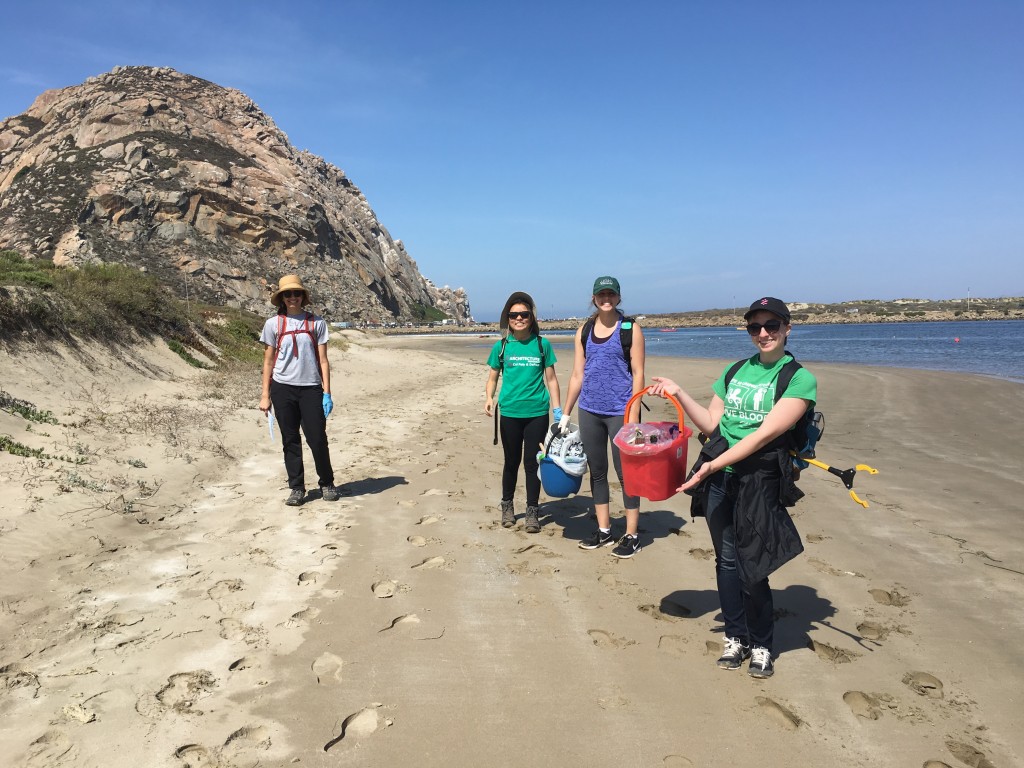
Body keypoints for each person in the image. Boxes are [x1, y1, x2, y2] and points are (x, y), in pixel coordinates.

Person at [647, 297, 816, 678]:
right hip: (722, 477)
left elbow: (764, 436)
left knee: (753, 566)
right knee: (725, 560)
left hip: (760, 477)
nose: (763, 333)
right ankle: (735, 637)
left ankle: (761, 645)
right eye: (754, 327)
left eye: (772, 325)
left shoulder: (800, 379)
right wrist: (678, 393)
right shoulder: (736, 369)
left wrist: (709, 466)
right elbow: (711, 425)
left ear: (788, 328)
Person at [560, 276, 646, 558]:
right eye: (601, 294)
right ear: (594, 298)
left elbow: (639, 374)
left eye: (611, 294)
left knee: (627, 475)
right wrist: (566, 411)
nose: (606, 298)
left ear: (618, 298)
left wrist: (633, 416)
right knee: (597, 472)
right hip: (589, 411)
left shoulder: (630, 329)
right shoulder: (583, 330)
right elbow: (577, 374)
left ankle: (631, 535)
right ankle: (604, 530)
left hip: (621, 413)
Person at [258, 274, 341, 506]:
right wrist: (265, 395)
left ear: (303, 297)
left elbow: (323, 361)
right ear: (282, 298)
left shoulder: (317, 323)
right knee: (290, 440)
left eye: (296, 293)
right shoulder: (272, 325)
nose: (292, 297)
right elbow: (267, 362)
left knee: (317, 439)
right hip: (283, 389)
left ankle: (327, 483)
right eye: (287, 294)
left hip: (311, 389)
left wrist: (327, 393)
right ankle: (296, 488)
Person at [484, 292, 561, 533]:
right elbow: (493, 377)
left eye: (524, 314)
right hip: (509, 412)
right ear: (508, 318)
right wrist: (489, 397)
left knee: (532, 463)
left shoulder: (542, 344)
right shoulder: (502, 346)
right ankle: (507, 506)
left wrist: (557, 410)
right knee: (511, 462)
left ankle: (532, 511)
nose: (519, 318)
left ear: (531, 317)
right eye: (514, 315)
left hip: (537, 412)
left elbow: (552, 379)